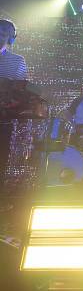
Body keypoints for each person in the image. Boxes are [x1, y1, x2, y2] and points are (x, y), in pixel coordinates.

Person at [0, 19, 27, 192]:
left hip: (3, 121)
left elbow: (23, 92)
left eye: (3, 34)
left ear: (11, 39)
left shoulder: (17, 61)